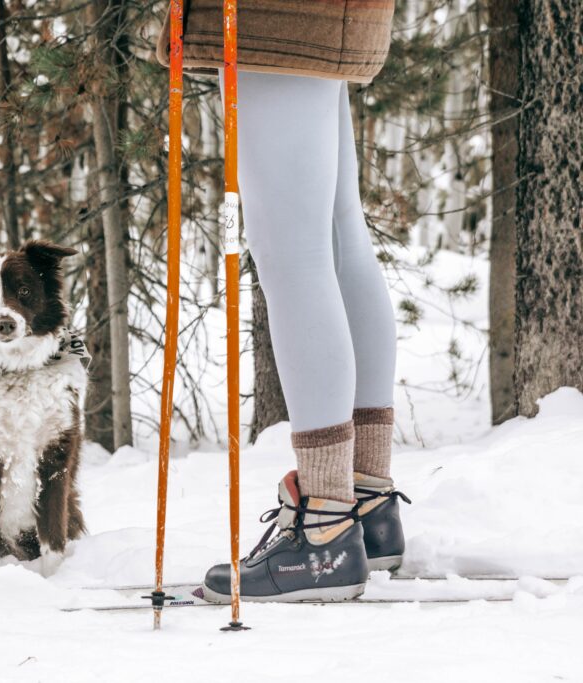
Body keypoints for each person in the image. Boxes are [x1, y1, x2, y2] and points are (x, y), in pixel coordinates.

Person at [156, 1, 409, 601]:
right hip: (325, 15)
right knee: (337, 232)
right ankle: (364, 499)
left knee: (293, 250)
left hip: (275, 16)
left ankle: (324, 527)